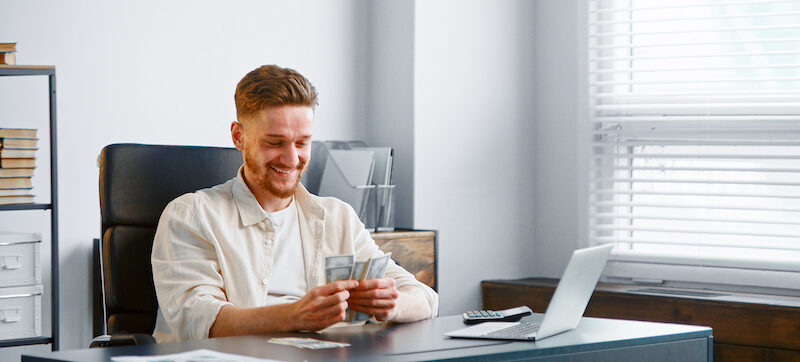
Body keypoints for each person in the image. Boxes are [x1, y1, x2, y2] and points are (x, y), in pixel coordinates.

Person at [150, 65, 438, 342]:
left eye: (302, 143)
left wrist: (392, 305)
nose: (291, 159)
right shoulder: (190, 215)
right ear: (239, 137)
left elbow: (425, 298)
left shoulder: (337, 217)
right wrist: (295, 316)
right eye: (275, 143)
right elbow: (199, 320)